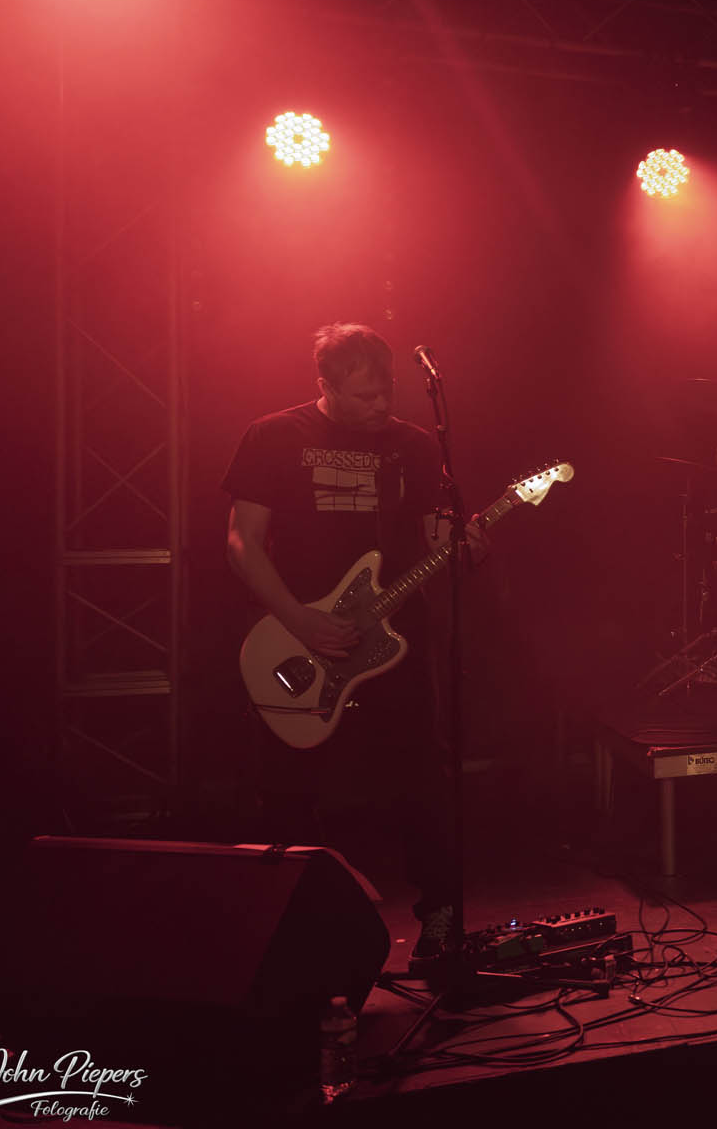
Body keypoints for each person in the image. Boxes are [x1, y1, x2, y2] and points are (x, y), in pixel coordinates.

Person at [223, 323, 480, 966]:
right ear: (326, 385)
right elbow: (242, 541)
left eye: (387, 390)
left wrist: (466, 543)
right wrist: (298, 620)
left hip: (393, 636)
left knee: (423, 777)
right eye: (365, 395)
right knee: (288, 788)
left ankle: (441, 920)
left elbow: (435, 532)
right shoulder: (274, 435)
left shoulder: (413, 445)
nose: (381, 405)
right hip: (298, 634)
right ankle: (294, 929)